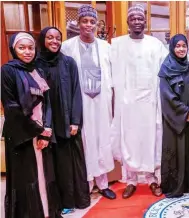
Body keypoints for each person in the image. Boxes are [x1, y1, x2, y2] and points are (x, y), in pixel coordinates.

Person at [1, 32, 62, 217]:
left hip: (43, 131)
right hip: (23, 134)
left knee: (46, 175)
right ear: (14, 49)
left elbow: (48, 102)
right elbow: (11, 107)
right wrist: (38, 130)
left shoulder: (39, 70)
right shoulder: (7, 71)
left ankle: (48, 212)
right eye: (22, 48)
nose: (27, 52)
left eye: (30, 48)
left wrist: (46, 130)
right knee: (28, 178)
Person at [110, 4, 167, 199]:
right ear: (127, 22)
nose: (137, 22)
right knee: (130, 140)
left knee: (150, 140)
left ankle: (152, 179)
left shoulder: (155, 44)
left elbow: (164, 72)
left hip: (149, 102)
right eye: (133, 19)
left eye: (140, 18)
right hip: (128, 103)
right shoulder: (117, 44)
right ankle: (131, 180)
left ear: (145, 21)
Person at [60, 5, 116, 200]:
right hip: (80, 101)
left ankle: (103, 183)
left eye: (92, 22)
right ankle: (87, 182)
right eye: (85, 21)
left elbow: (114, 77)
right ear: (79, 22)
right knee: (84, 141)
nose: (89, 25)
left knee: (102, 139)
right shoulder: (67, 47)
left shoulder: (106, 47)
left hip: (101, 101)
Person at [36, 27, 92, 214]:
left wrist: (75, 121)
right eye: (50, 38)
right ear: (42, 40)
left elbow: (77, 93)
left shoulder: (68, 63)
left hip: (67, 122)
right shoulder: (35, 64)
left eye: (58, 38)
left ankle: (70, 200)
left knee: (67, 164)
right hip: (45, 123)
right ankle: (53, 203)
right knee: (50, 166)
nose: (54, 41)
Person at [159, 34, 189, 198]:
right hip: (173, 119)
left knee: (188, 151)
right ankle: (173, 187)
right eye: (178, 46)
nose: (181, 49)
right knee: (174, 152)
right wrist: (185, 112)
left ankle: (188, 185)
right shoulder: (166, 68)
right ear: (172, 48)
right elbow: (167, 96)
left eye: (184, 46)